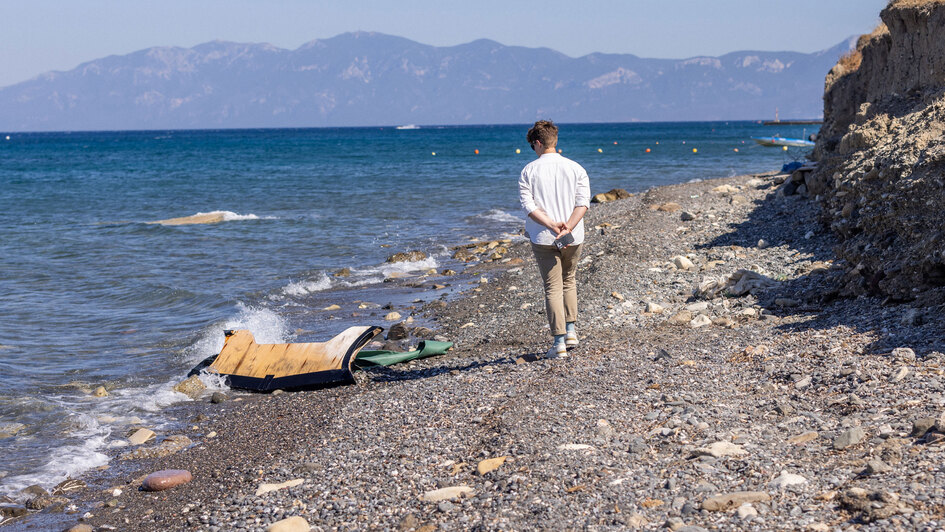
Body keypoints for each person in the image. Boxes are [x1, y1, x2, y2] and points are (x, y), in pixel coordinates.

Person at [518, 120, 590, 358]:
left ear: (537, 143)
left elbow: (528, 207)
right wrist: (567, 226)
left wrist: (551, 225)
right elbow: (583, 204)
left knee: (552, 288)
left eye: (532, 146)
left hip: (544, 237)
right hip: (573, 235)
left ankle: (559, 343)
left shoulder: (529, 171)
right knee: (569, 281)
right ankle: (571, 331)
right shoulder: (576, 168)